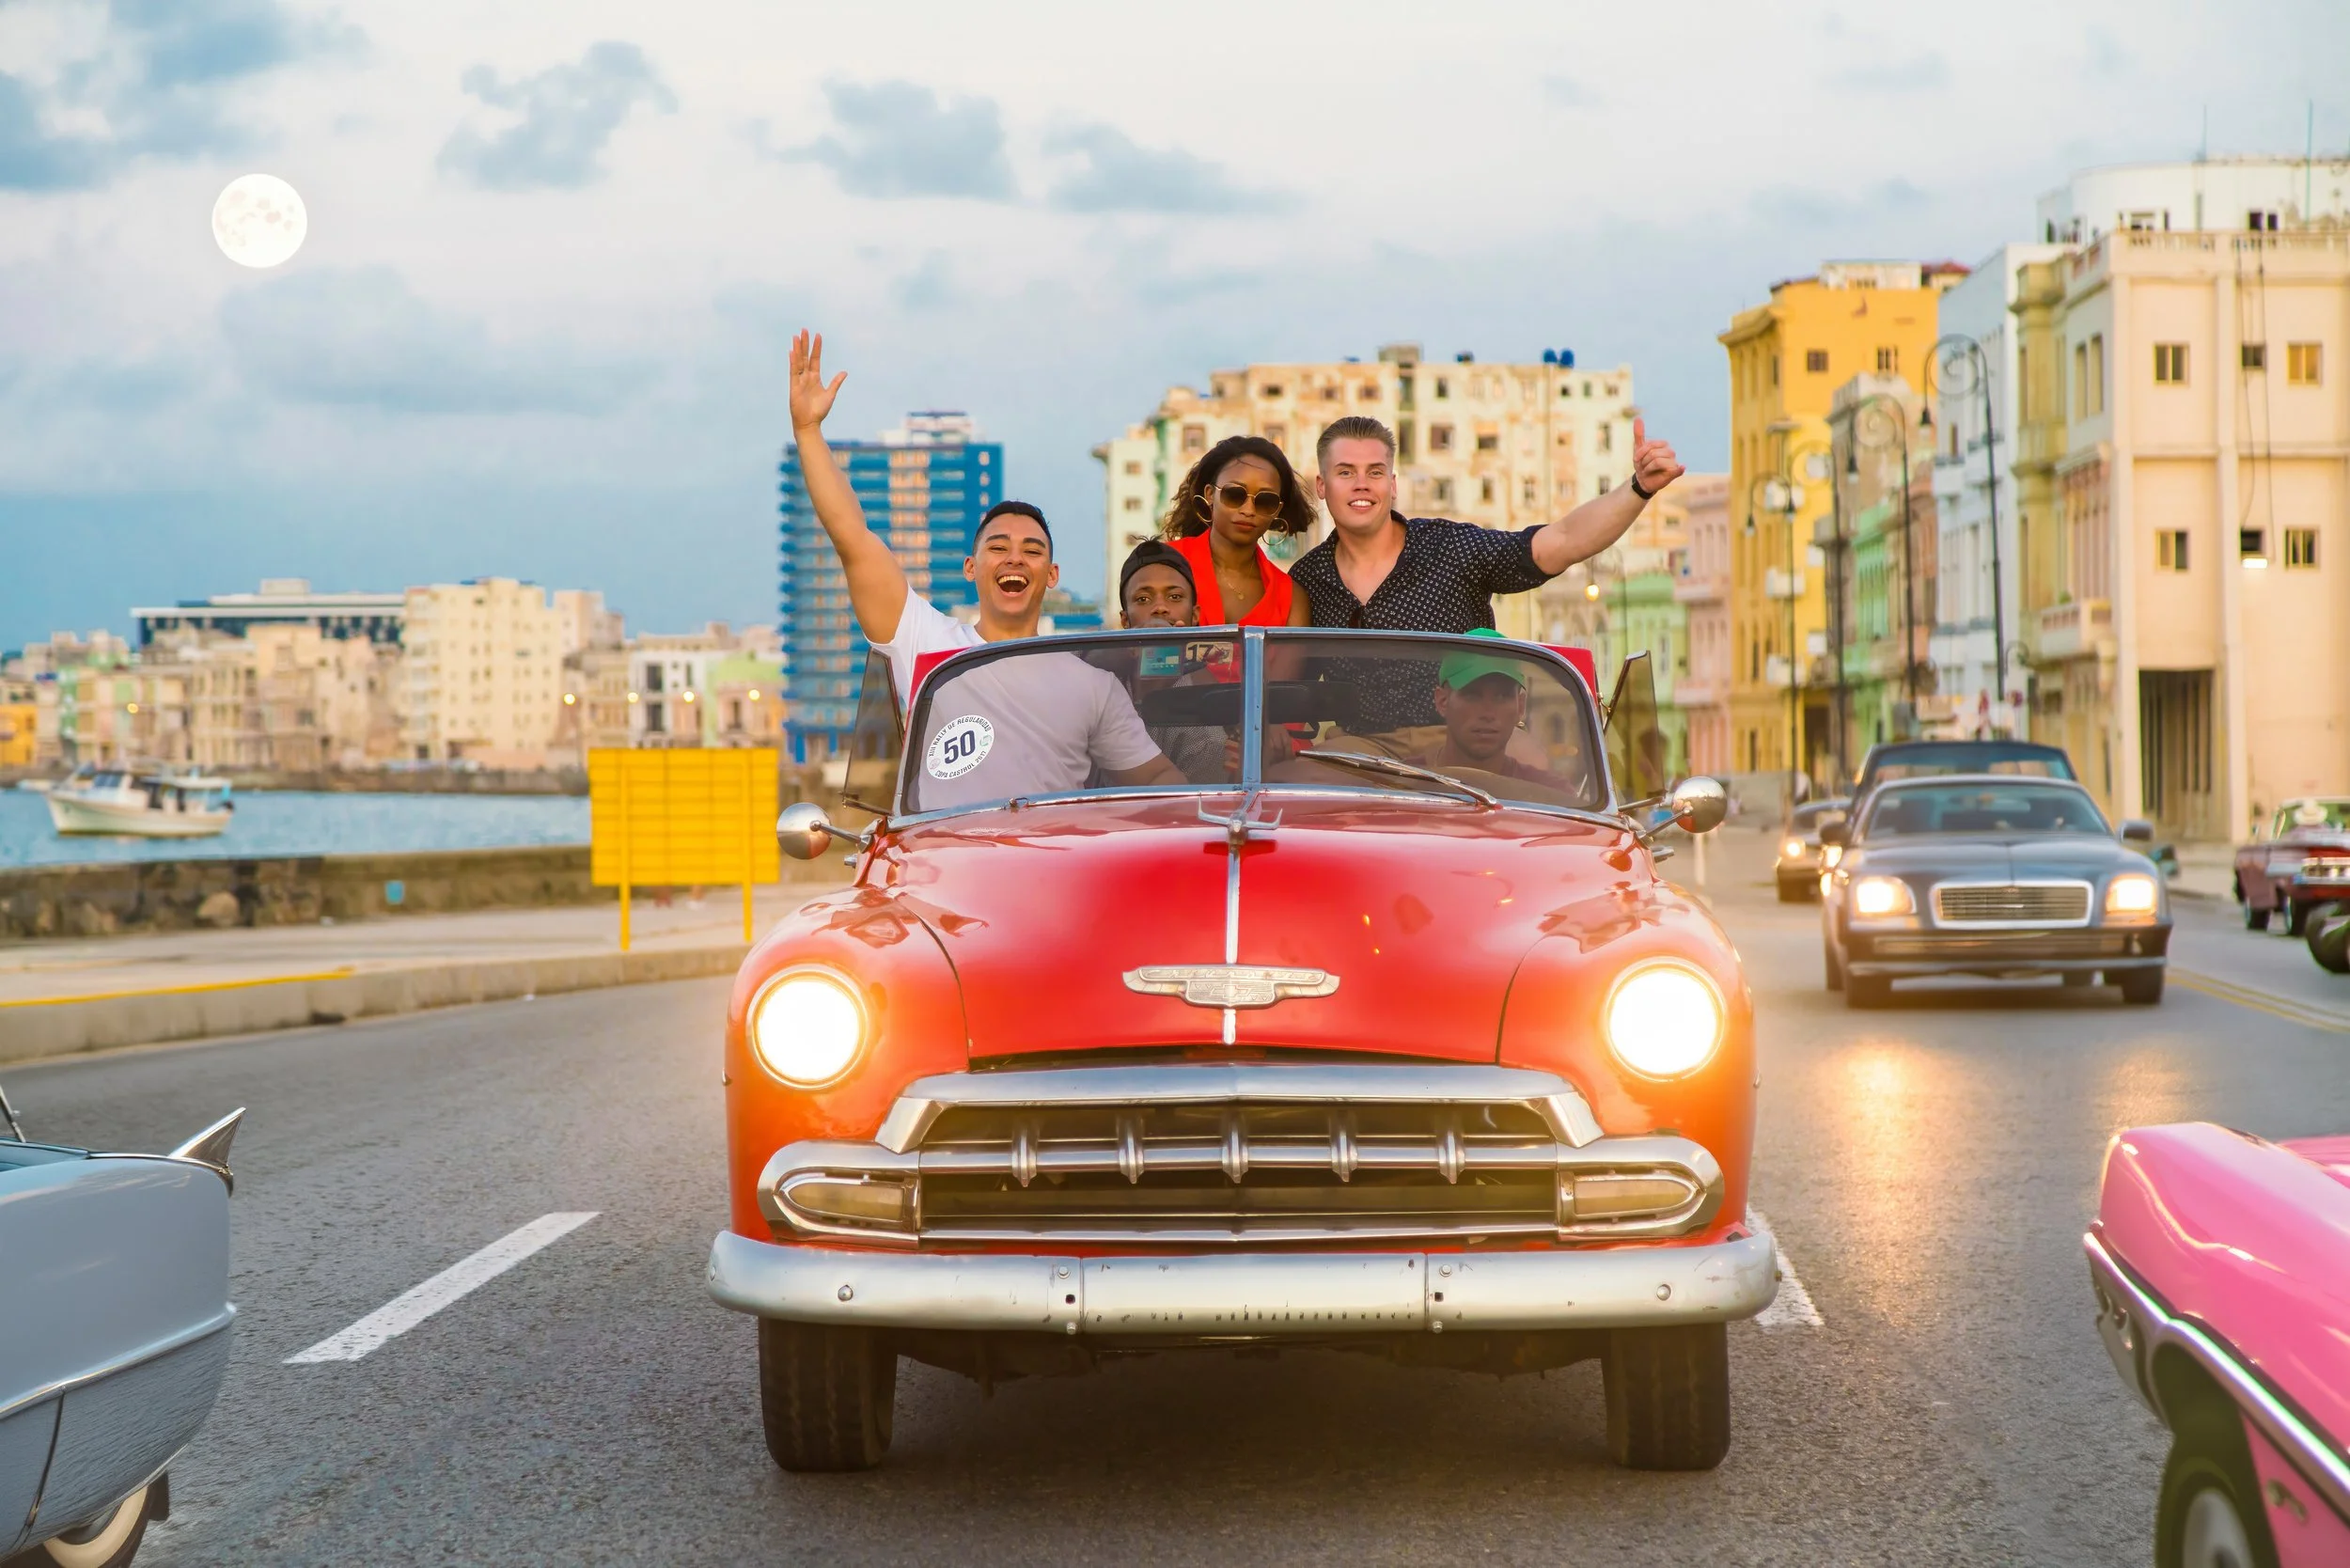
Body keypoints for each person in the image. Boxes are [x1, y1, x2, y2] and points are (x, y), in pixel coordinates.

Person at [787, 330, 1184, 802]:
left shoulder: (1092, 685)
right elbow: (852, 538)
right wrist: (808, 432)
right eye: (999, 547)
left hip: (1047, 866)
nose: (1015, 557)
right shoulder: (926, 644)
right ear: (971, 568)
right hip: (948, 863)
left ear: (1051, 576)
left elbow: (1158, 782)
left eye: (1032, 551)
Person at [1294, 414, 1685, 635]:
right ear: (1323, 486)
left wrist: (1638, 488)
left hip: (1461, 765)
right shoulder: (1306, 582)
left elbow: (1562, 540)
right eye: (1346, 472)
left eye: (1375, 472)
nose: (1362, 483)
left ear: (1393, 485)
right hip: (1352, 764)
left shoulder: (1452, 549)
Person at [1159, 435, 1317, 630]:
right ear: (1210, 494)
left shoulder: (1290, 597)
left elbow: (1290, 661)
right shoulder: (1162, 565)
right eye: (1234, 495)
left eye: (1265, 501)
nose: (1248, 510)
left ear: (1277, 510)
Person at [1416, 631, 1592, 801]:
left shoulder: (1552, 796)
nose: (1487, 712)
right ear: (1442, 701)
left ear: (1520, 706)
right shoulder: (1401, 782)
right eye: (1472, 695)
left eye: (1502, 696)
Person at [1115, 540, 1230, 784]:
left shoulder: (1205, 723)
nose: (1160, 608)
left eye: (1175, 597)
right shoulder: (1097, 685)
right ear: (1125, 621)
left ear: (1195, 616)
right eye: (1143, 600)